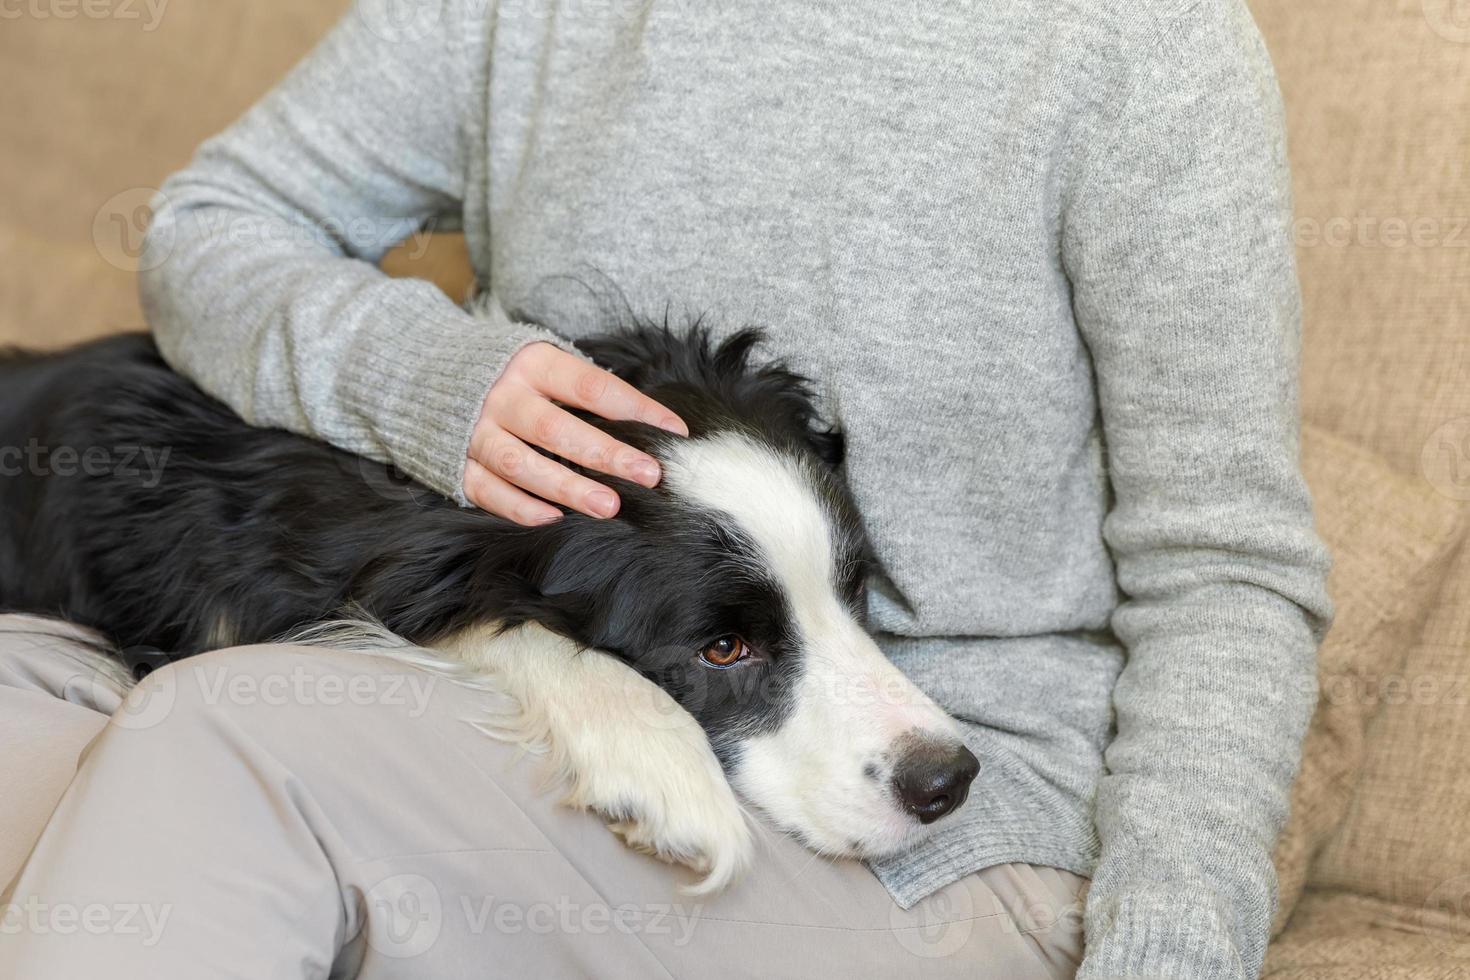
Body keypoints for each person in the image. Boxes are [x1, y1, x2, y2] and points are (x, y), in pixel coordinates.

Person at [0, 1, 1332, 977]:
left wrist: (1167, 955)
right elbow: (210, 224)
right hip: (541, 698)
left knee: (220, 740)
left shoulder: (1138, 49)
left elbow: (1224, 571)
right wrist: (427, 375)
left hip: (952, 834)